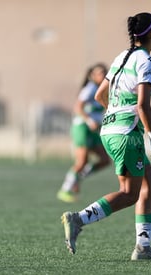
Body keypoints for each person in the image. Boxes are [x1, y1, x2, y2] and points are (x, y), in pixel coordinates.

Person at [61, 12, 151, 260]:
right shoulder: (146, 61)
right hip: (126, 134)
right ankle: (79, 219)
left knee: (149, 185)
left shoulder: (123, 56)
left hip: (110, 130)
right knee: (129, 193)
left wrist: (114, 113)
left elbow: (101, 95)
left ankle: (143, 248)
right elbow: (143, 105)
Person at [57, 63, 111, 203]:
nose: (104, 75)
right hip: (82, 127)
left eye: (105, 72)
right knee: (81, 162)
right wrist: (89, 121)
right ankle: (65, 189)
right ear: (92, 76)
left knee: (105, 160)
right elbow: (78, 107)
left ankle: (77, 179)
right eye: (100, 73)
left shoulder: (103, 89)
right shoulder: (91, 88)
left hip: (93, 129)